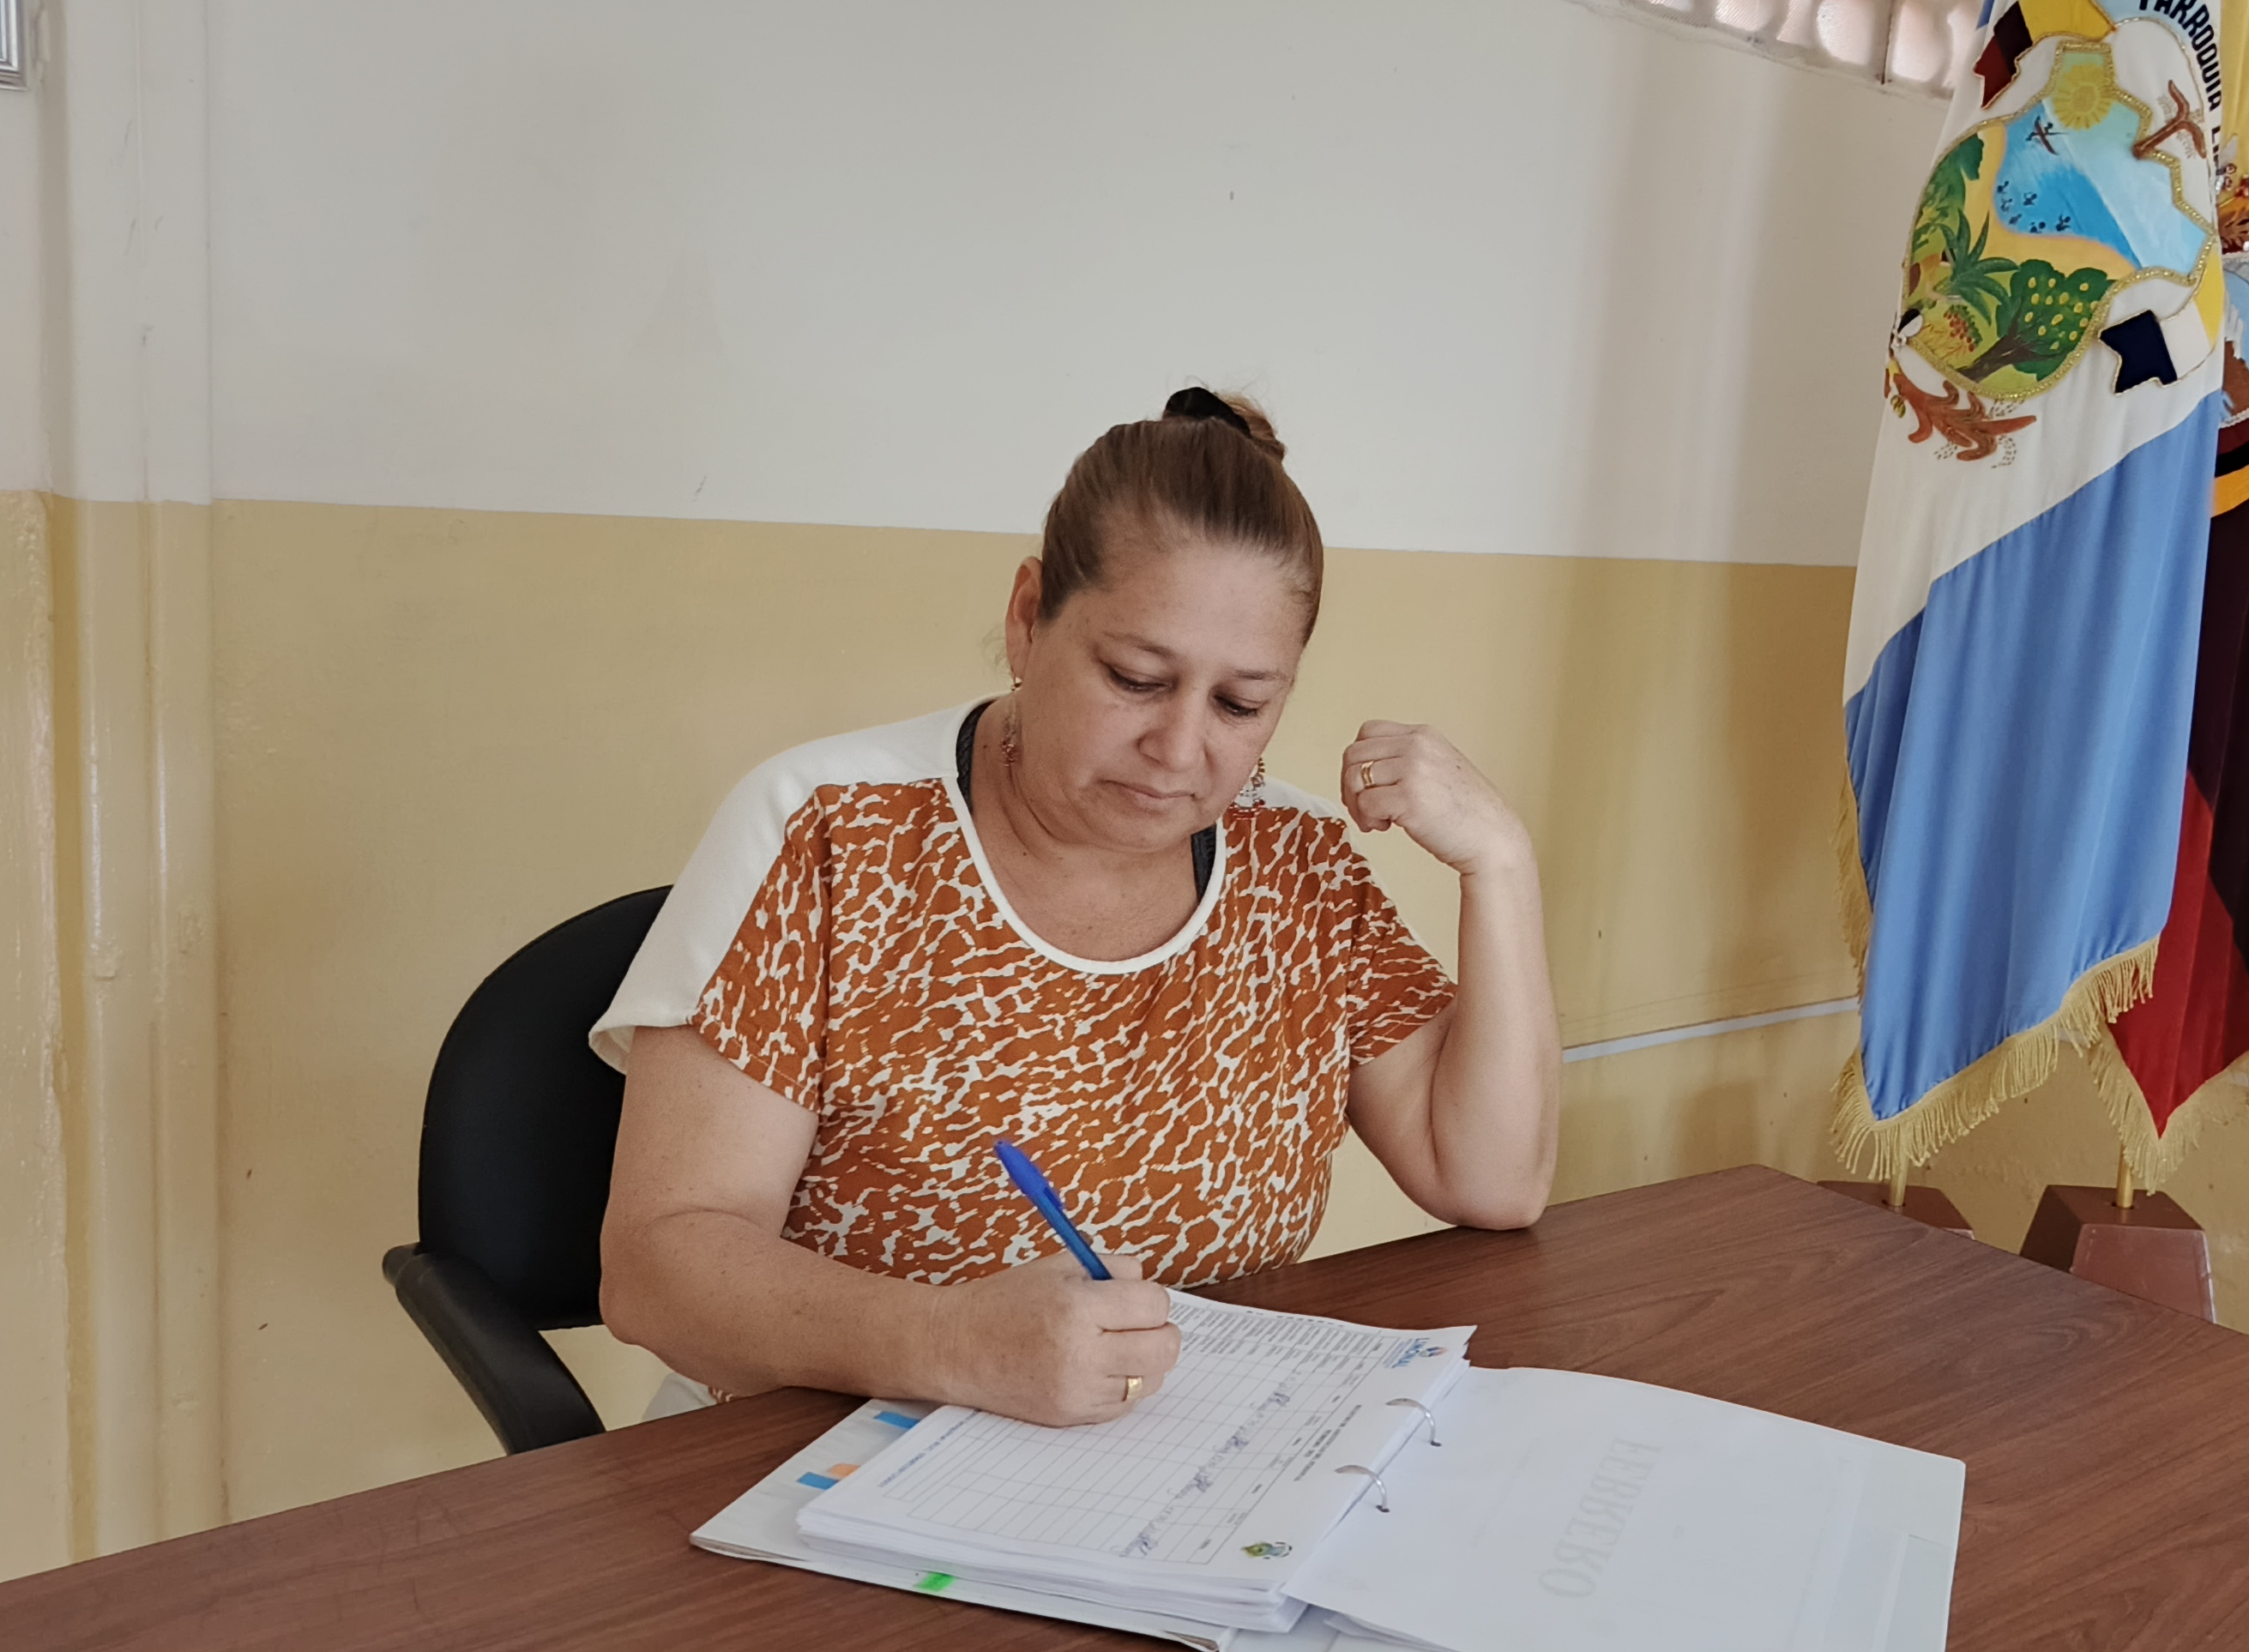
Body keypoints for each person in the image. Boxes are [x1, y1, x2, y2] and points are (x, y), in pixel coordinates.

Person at [594, 388, 1559, 1428]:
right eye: (1135, 678)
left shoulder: (1299, 861)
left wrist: (1499, 863)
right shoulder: (830, 829)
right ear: (1028, 617)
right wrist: (948, 1342)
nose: (1179, 751)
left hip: (1175, 1459)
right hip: (807, 1456)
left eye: (1240, 703)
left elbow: (1490, 1180)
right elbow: (658, 1268)